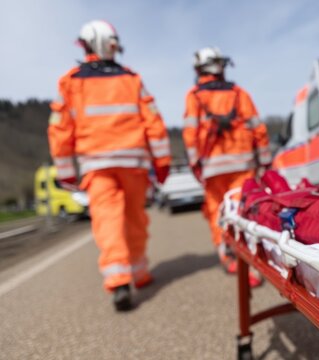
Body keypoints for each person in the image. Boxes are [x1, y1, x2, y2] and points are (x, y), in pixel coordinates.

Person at [48, 20, 171, 311]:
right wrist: (162, 162)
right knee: (135, 220)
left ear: (89, 43)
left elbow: (59, 129)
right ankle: (139, 273)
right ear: (108, 43)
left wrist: (65, 172)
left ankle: (118, 281)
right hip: (134, 165)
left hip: (96, 165)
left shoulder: (70, 81)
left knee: (108, 222)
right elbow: (154, 123)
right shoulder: (132, 79)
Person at [182, 47, 270, 285]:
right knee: (243, 211)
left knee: (216, 211)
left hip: (212, 168)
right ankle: (253, 264)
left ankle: (227, 255)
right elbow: (258, 129)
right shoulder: (239, 93)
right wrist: (264, 160)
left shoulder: (194, 96)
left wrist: (194, 163)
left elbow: (190, 134)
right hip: (242, 165)